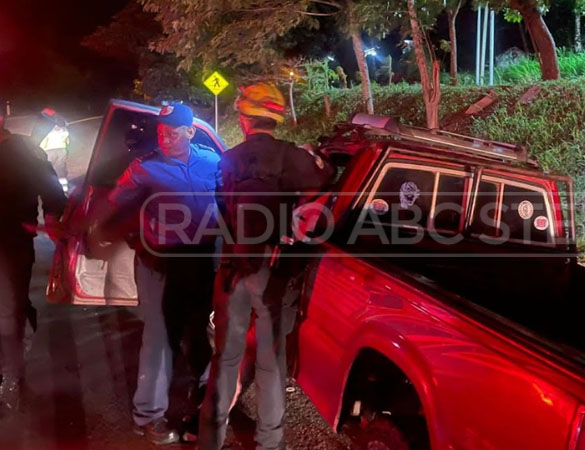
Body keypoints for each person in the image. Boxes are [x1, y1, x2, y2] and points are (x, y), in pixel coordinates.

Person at [199, 82, 334, 450]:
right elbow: (326, 178)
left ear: (244, 119)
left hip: (233, 270)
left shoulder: (228, 160)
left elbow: (222, 207)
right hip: (272, 272)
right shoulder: (293, 158)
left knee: (225, 358)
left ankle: (209, 440)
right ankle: (269, 444)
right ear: (276, 118)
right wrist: (317, 158)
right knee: (270, 362)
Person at [94, 103, 219, 444]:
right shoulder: (144, 168)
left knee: (201, 332)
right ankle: (148, 416)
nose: (165, 138)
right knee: (159, 338)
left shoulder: (212, 161)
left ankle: (205, 399)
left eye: (173, 133)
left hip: (202, 260)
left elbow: (230, 198)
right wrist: (113, 233)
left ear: (190, 132)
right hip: (160, 263)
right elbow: (115, 204)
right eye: (162, 132)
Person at [0, 108, 66, 413]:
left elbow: (53, 193)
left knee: (7, 312)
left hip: (11, 244)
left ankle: (12, 377)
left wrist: (53, 220)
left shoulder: (25, 151)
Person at [38, 109, 71, 193]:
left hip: (49, 151)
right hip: (62, 150)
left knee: (48, 170)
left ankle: (50, 189)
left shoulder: (48, 131)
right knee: (60, 169)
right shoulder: (65, 130)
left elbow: (43, 143)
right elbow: (68, 142)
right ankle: (64, 189)